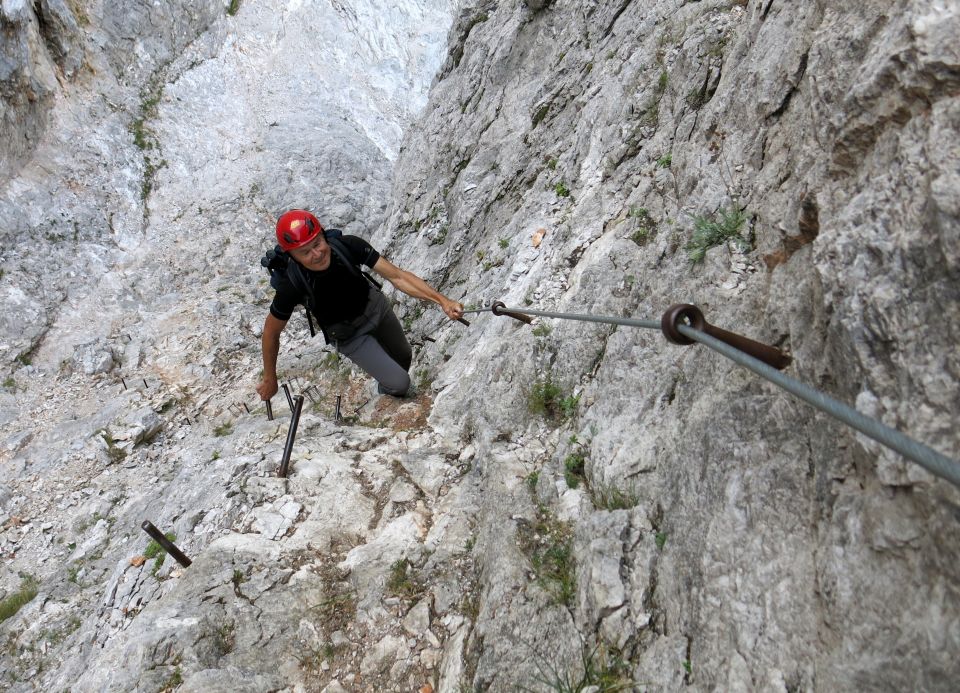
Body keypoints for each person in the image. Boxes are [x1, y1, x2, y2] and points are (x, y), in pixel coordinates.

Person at [255, 209, 464, 402]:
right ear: (292, 256)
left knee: (404, 356)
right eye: (305, 252)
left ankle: (388, 378)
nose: (317, 254)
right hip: (350, 335)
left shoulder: (348, 246)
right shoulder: (291, 284)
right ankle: (385, 392)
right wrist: (269, 378)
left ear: (324, 234)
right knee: (400, 383)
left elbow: (398, 277)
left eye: (317, 243)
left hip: (376, 308)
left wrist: (443, 301)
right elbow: (271, 333)